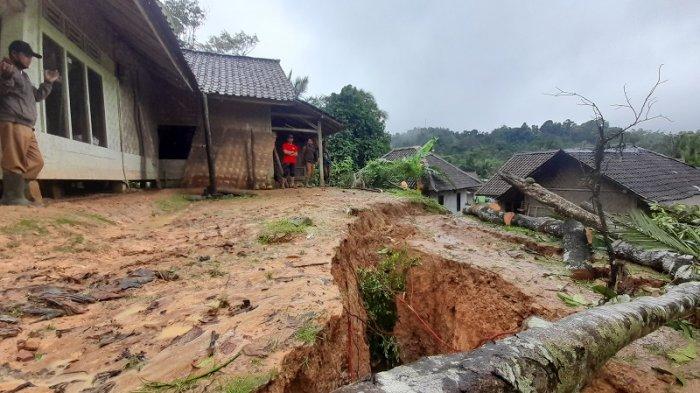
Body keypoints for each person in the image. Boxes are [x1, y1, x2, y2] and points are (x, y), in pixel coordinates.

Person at [0, 40, 60, 205]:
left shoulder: (23, 76)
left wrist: (48, 82)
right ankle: (12, 197)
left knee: (37, 161)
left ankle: (17, 192)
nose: (30, 59)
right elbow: (3, 89)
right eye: (27, 55)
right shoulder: (6, 69)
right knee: (14, 161)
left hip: (27, 126)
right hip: (13, 121)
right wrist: (5, 76)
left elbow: (37, 95)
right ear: (14, 54)